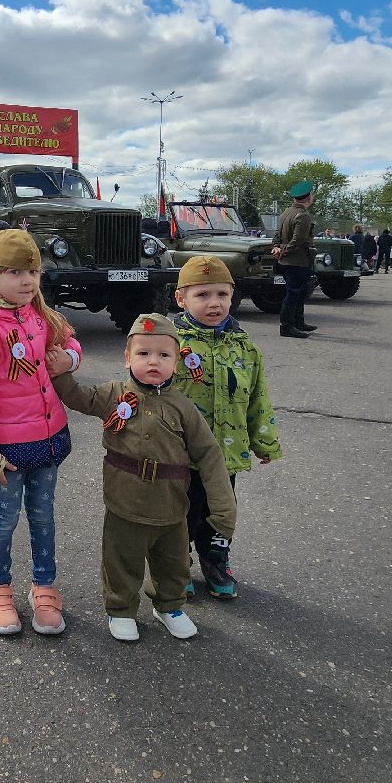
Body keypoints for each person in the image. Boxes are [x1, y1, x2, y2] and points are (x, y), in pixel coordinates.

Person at [52, 314, 236, 642]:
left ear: (176, 362)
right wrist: (60, 372)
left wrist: (223, 507)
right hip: (124, 504)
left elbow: (209, 454)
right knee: (121, 560)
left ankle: (169, 607)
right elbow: (79, 397)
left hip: (171, 507)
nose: (153, 361)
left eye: (164, 355)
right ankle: (121, 609)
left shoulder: (184, 407)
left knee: (173, 563)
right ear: (127, 358)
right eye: (143, 353)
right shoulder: (114, 394)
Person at [0, 228, 81, 637]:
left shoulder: (41, 316)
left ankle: (44, 585)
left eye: (33, 272)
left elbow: (71, 343)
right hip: (6, 450)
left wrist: (69, 360)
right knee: (6, 517)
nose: (27, 281)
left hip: (48, 440)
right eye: (15, 272)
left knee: (43, 516)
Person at [168, 256, 282, 601]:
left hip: (225, 452)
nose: (214, 303)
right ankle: (175, 564)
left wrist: (264, 442)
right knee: (178, 513)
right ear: (181, 299)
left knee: (220, 513)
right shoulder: (170, 344)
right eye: (202, 295)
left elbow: (258, 398)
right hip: (180, 454)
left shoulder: (245, 348)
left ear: (233, 297)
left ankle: (215, 560)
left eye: (222, 294)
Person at [270, 180, 317, 338]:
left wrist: (276, 247)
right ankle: (287, 327)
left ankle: (298, 322)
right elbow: (299, 240)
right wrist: (283, 251)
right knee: (293, 293)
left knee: (300, 292)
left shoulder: (286, 213)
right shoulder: (303, 215)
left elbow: (277, 235)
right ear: (309, 198)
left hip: (286, 261)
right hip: (298, 261)